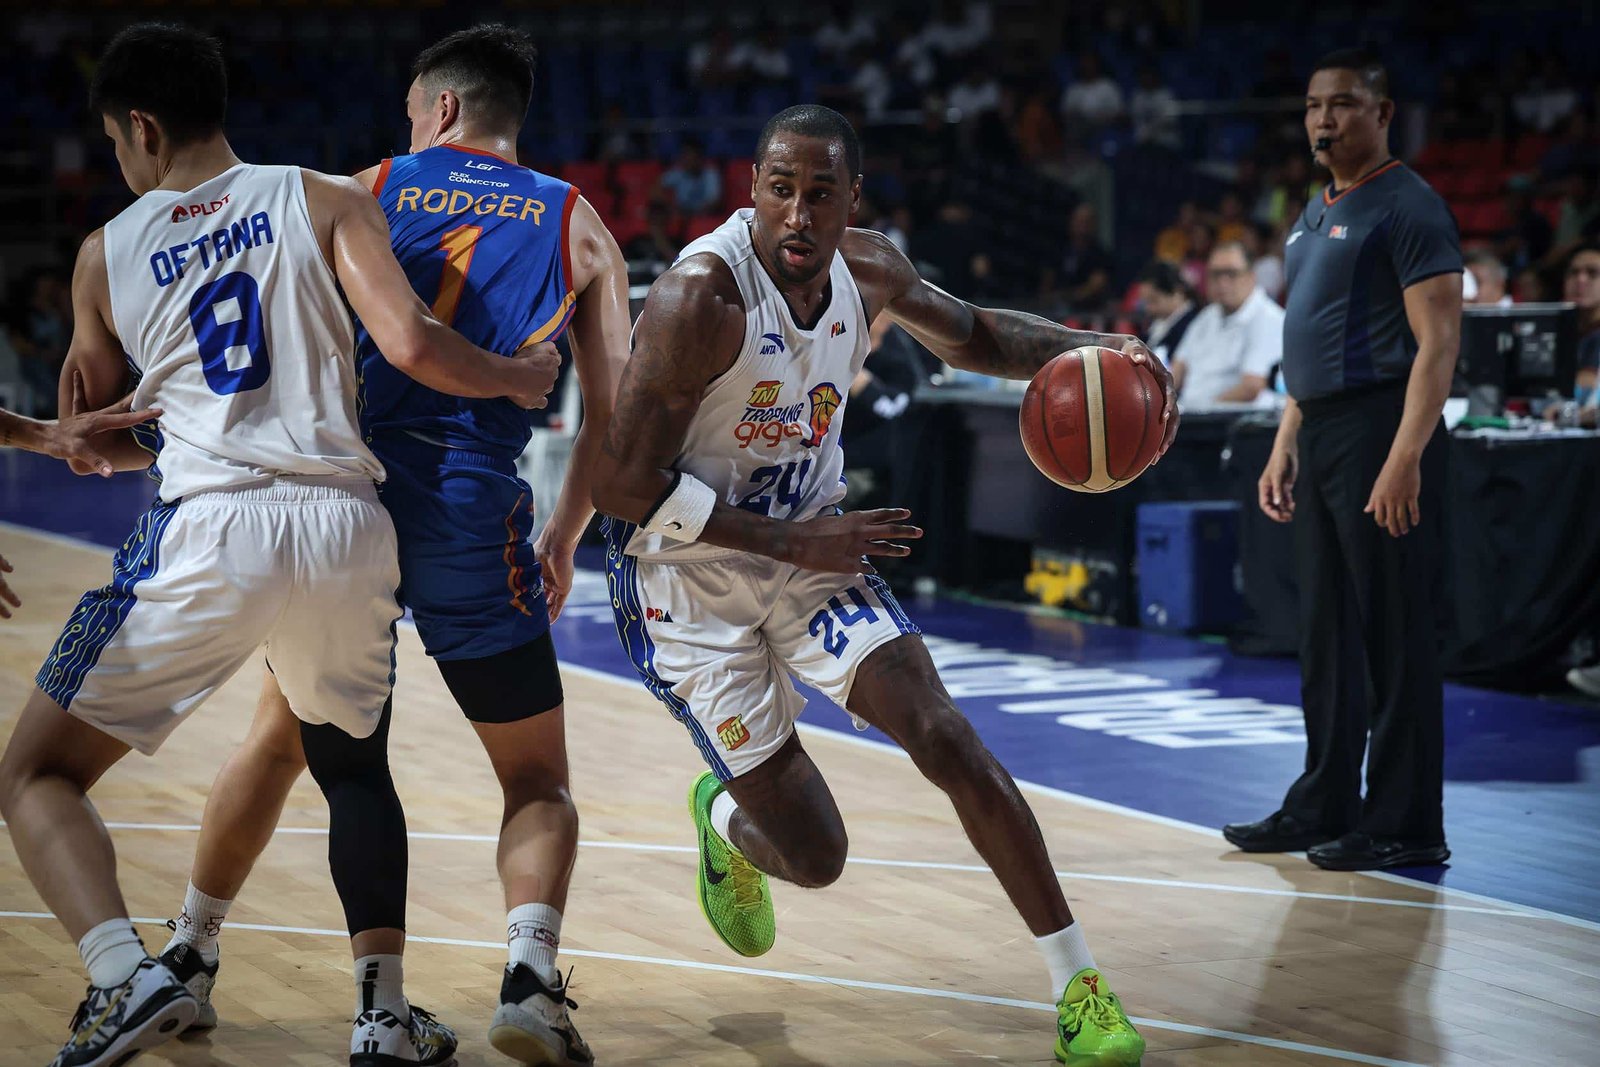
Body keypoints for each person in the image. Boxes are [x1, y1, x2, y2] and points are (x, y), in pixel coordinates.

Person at [0, 23, 561, 1067]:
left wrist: (57, 436)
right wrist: (512, 377)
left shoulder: (101, 253)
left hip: (212, 524)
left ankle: (129, 976)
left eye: (120, 146)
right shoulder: (323, 195)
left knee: (34, 774)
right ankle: (384, 1014)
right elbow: (410, 344)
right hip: (349, 526)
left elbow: (98, 441)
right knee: (352, 767)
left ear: (139, 127)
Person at [590, 104, 1177, 1067]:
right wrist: (792, 538)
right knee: (817, 857)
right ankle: (725, 816)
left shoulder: (871, 269)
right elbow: (621, 487)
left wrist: (1099, 346)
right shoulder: (702, 296)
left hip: (810, 556)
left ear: (850, 201)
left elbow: (979, 335)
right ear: (754, 187)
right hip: (687, 579)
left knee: (944, 733)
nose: (797, 213)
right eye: (780, 188)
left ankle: (1081, 986)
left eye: (820, 193)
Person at [150, 24, 626, 1067]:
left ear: (441, 109)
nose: (407, 127)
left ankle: (188, 950)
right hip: (469, 514)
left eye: (414, 109)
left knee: (280, 736)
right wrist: (560, 535)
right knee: (536, 778)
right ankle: (531, 978)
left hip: (343, 506)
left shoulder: (361, 182)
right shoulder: (579, 224)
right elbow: (611, 421)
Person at [1229, 49, 1461, 871]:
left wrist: (1405, 456)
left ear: (1383, 113)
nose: (1323, 120)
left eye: (1343, 104)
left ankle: (1406, 820)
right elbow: (1312, 339)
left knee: (1393, 633)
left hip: (1380, 429)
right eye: (1313, 106)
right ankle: (1324, 798)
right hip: (1321, 428)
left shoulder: (1410, 207)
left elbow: (1438, 344)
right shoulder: (1312, 211)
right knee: (1325, 632)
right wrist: (1286, 441)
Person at [1170, 240, 1284, 406]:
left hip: (1234, 422)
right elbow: (1177, 369)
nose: (1222, 282)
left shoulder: (1269, 318)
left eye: (1231, 273)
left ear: (1251, 276)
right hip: (1191, 418)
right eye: (1215, 274)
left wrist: (1201, 411)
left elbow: (1251, 387)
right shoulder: (1207, 316)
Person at [1136, 260, 1200, 365]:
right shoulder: (1156, 323)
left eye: (1153, 300)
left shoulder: (1194, 326)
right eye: (1146, 302)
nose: (1148, 309)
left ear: (1176, 292)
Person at [659, 137, 722, 216]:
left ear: (699, 158)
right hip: (680, 215)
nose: (687, 160)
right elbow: (658, 187)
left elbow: (714, 202)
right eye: (685, 156)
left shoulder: (710, 174)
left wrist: (693, 215)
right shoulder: (678, 173)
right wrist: (670, 206)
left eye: (691, 156)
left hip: (702, 217)